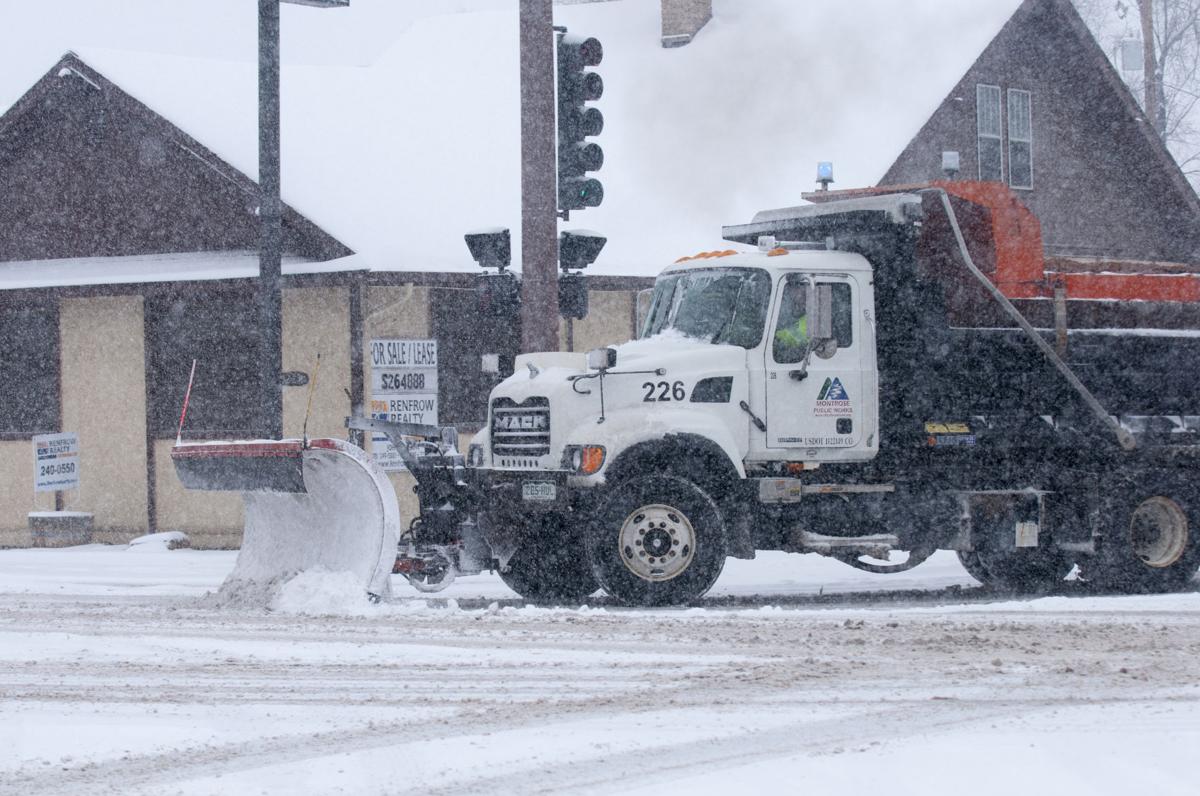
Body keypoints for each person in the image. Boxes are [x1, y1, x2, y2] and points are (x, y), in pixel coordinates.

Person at [773, 281, 809, 362]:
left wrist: (776, 336)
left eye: (797, 288)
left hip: (799, 357)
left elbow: (803, 340)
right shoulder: (787, 307)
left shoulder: (813, 317)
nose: (793, 292)